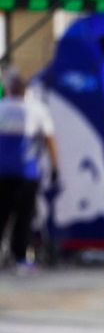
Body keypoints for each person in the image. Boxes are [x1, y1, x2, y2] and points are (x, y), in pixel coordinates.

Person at [0, 72, 59, 272]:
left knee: (3, 215)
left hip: (3, 173)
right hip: (27, 173)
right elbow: (49, 140)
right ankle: (19, 257)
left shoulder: (1, 108)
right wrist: (55, 167)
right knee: (24, 217)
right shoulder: (37, 110)